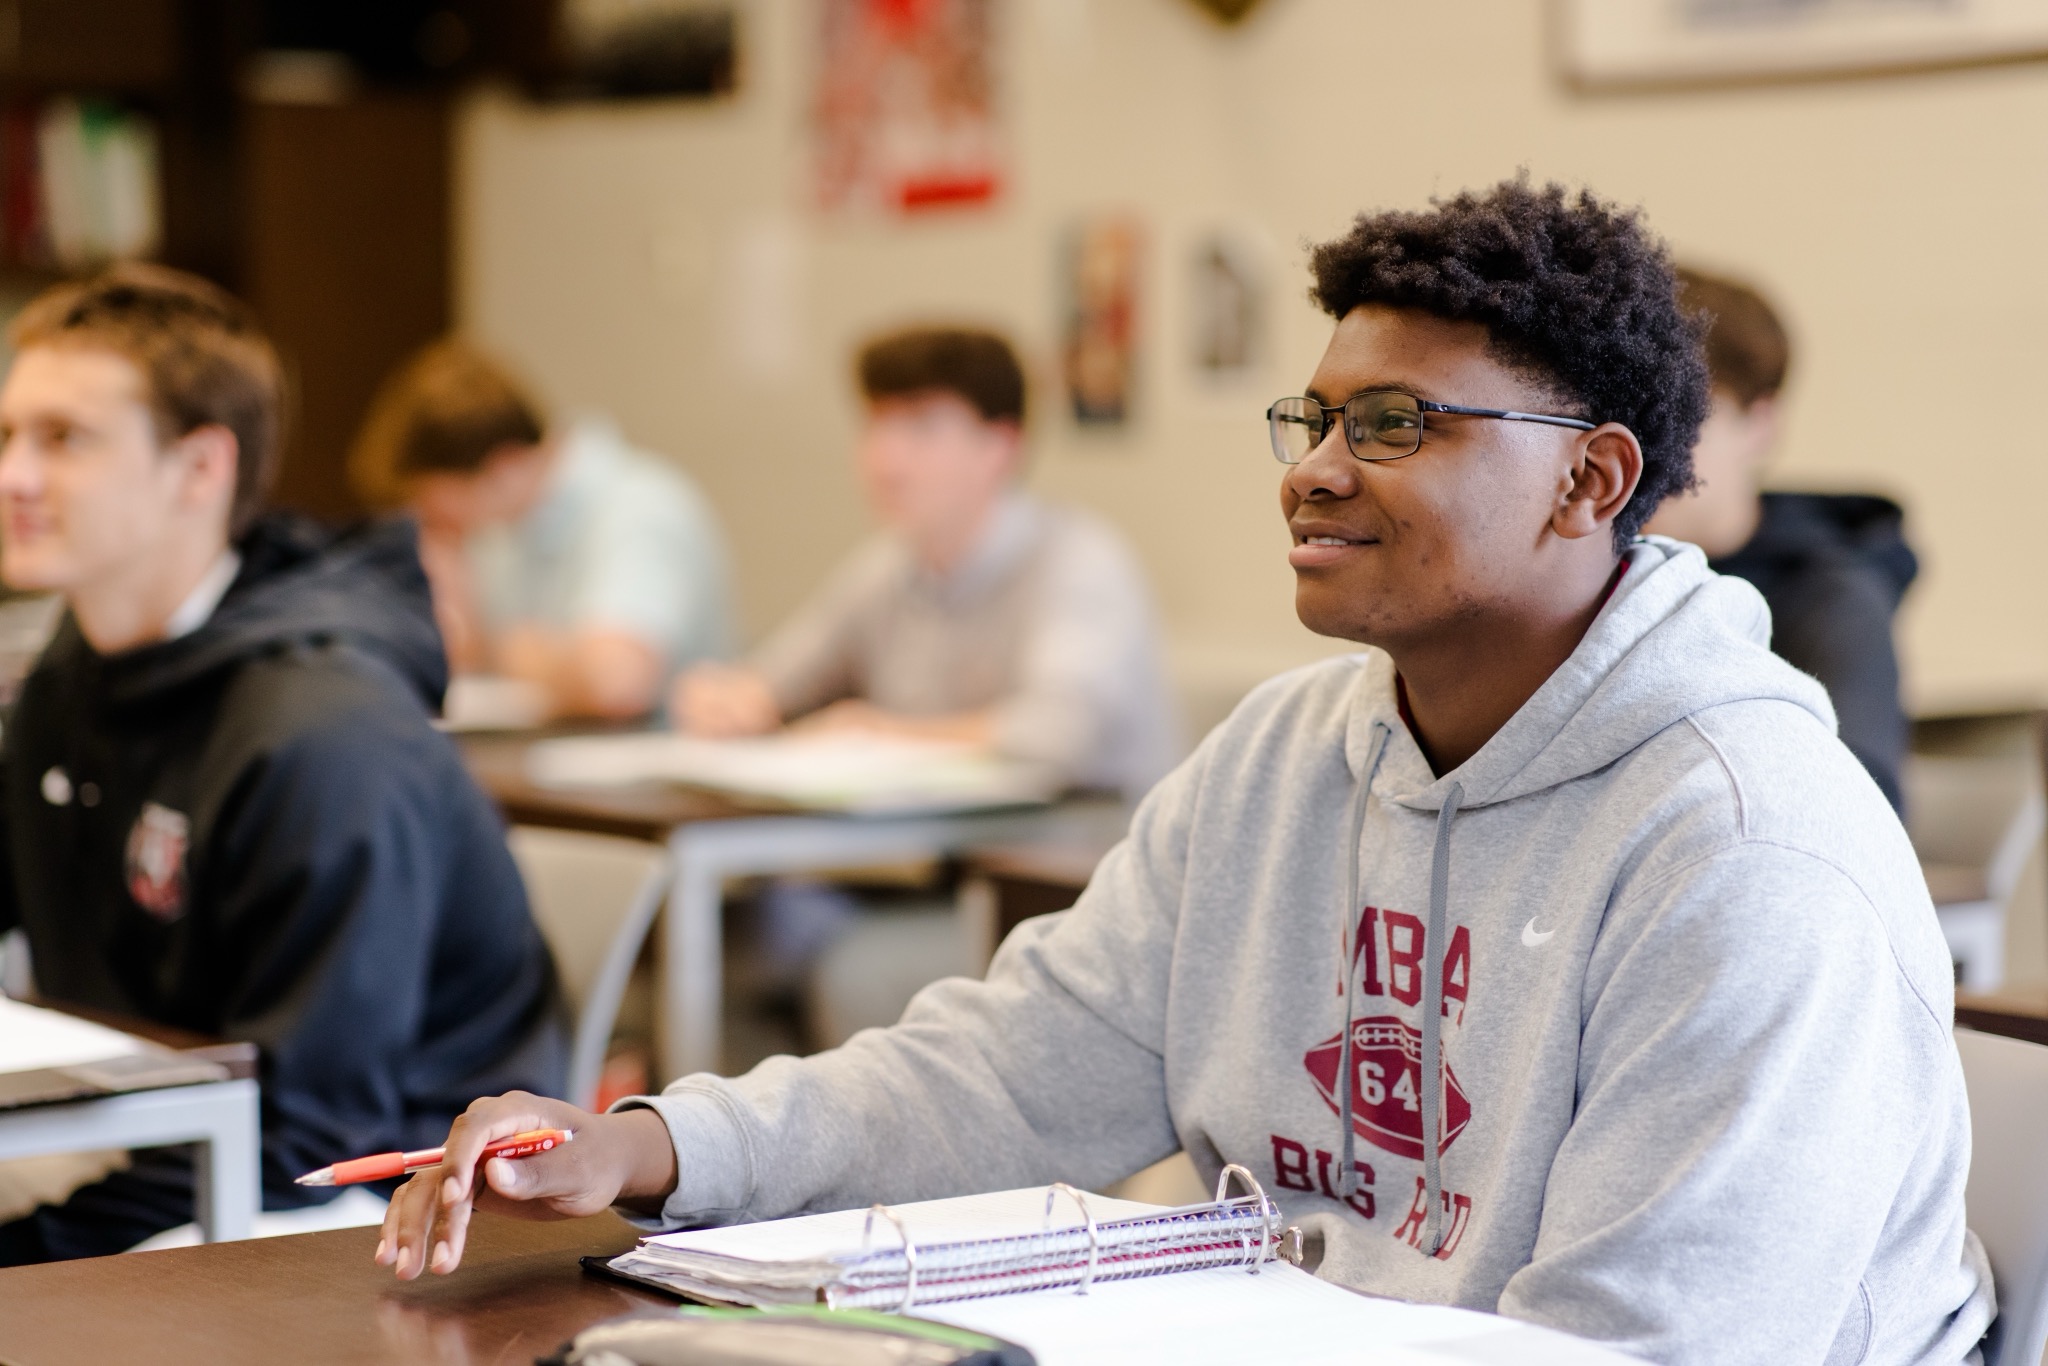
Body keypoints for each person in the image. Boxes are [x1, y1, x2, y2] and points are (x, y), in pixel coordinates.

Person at [378, 183, 1988, 1364]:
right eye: (1316, 413)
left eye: (1399, 422)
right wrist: (659, 1146)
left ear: (1591, 478)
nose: (1315, 467)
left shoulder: (1750, 852)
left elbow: (1651, 1348)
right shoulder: (1291, 753)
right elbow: (1020, 1067)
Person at [0, 265, 565, 1263]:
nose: (15, 476)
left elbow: (316, 1133)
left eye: (65, 439)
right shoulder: (77, 673)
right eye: (9, 434)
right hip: (162, 1131)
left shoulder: (323, 729)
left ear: (200, 469)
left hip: (371, 1206)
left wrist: (31, 1243)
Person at [674, 325, 1177, 802]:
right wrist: (732, 701)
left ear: (999, 446)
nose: (886, 460)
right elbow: (776, 681)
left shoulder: (1080, 562)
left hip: (1071, 867)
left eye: (921, 428)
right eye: (876, 424)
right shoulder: (888, 567)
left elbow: (1060, 733)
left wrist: (881, 735)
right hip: (936, 862)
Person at [1644, 268, 1916, 812]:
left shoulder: (1832, 600)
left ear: (1760, 423)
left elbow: (1853, 813)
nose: (1640, 448)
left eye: (1677, 417)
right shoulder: (1595, 580)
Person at [350, 339, 734, 721]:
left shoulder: (643, 507)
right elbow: (467, 649)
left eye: (439, 507)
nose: (439, 523)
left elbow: (616, 682)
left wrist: (513, 652)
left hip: (652, 771)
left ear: (503, 467)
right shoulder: (505, 531)